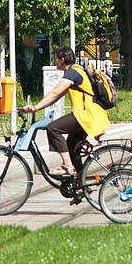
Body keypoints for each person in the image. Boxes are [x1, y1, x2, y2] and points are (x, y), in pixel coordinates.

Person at [21, 45, 110, 182]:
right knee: (72, 147)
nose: (55, 61)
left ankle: (68, 165)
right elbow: (56, 96)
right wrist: (37, 107)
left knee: (53, 128)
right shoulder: (77, 70)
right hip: (90, 116)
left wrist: (35, 108)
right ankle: (79, 185)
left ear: (62, 59)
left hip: (85, 115)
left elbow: (55, 93)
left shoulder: (72, 73)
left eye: (56, 59)